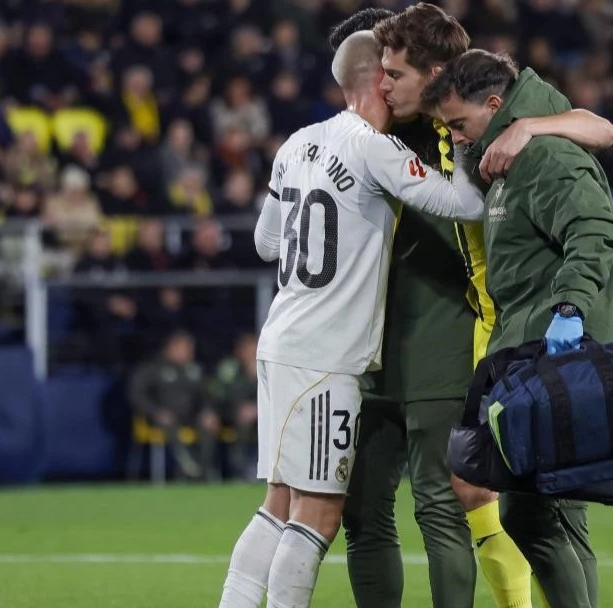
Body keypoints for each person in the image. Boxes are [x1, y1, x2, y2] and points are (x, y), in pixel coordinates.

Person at [339, 5, 613, 608]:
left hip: (526, 323)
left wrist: (530, 129)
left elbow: (600, 129)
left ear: (439, 76)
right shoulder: (395, 130)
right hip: (480, 326)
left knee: (539, 506)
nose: (382, 87)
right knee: (503, 501)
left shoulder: (495, 103)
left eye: (394, 75)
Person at [216, 30, 484, 608]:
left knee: (277, 503)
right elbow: (467, 204)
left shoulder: (296, 143)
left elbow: (266, 243)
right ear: (376, 81)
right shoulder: (372, 147)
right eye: (388, 75)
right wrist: (462, 142)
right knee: (318, 514)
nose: (395, 84)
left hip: (280, 338)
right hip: (325, 358)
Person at [424, 49, 613, 608]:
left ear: (494, 106)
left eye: (460, 124)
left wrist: (569, 312)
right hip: (531, 350)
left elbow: (595, 230)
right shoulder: (505, 152)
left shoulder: (545, 157)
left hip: (560, 352)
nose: (455, 138)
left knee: (529, 512)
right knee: (564, 517)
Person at [127, 330, 214, 480]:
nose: (189, 353)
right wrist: (155, 411)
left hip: (190, 416)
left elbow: (207, 395)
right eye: (185, 349)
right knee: (170, 425)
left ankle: (204, 468)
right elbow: (136, 395)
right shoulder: (152, 368)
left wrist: (208, 412)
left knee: (208, 425)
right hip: (161, 417)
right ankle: (187, 466)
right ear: (171, 348)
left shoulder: (195, 370)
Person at [207, 333, 261, 479]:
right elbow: (220, 393)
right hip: (228, 412)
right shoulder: (229, 368)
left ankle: (256, 471)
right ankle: (223, 471)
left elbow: (274, 395)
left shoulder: (264, 369)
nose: (251, 354)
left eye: (254, 350)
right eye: (247, 350)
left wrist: (256, 408)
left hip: (258, 415)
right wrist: (211, 412)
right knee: (210, 424)